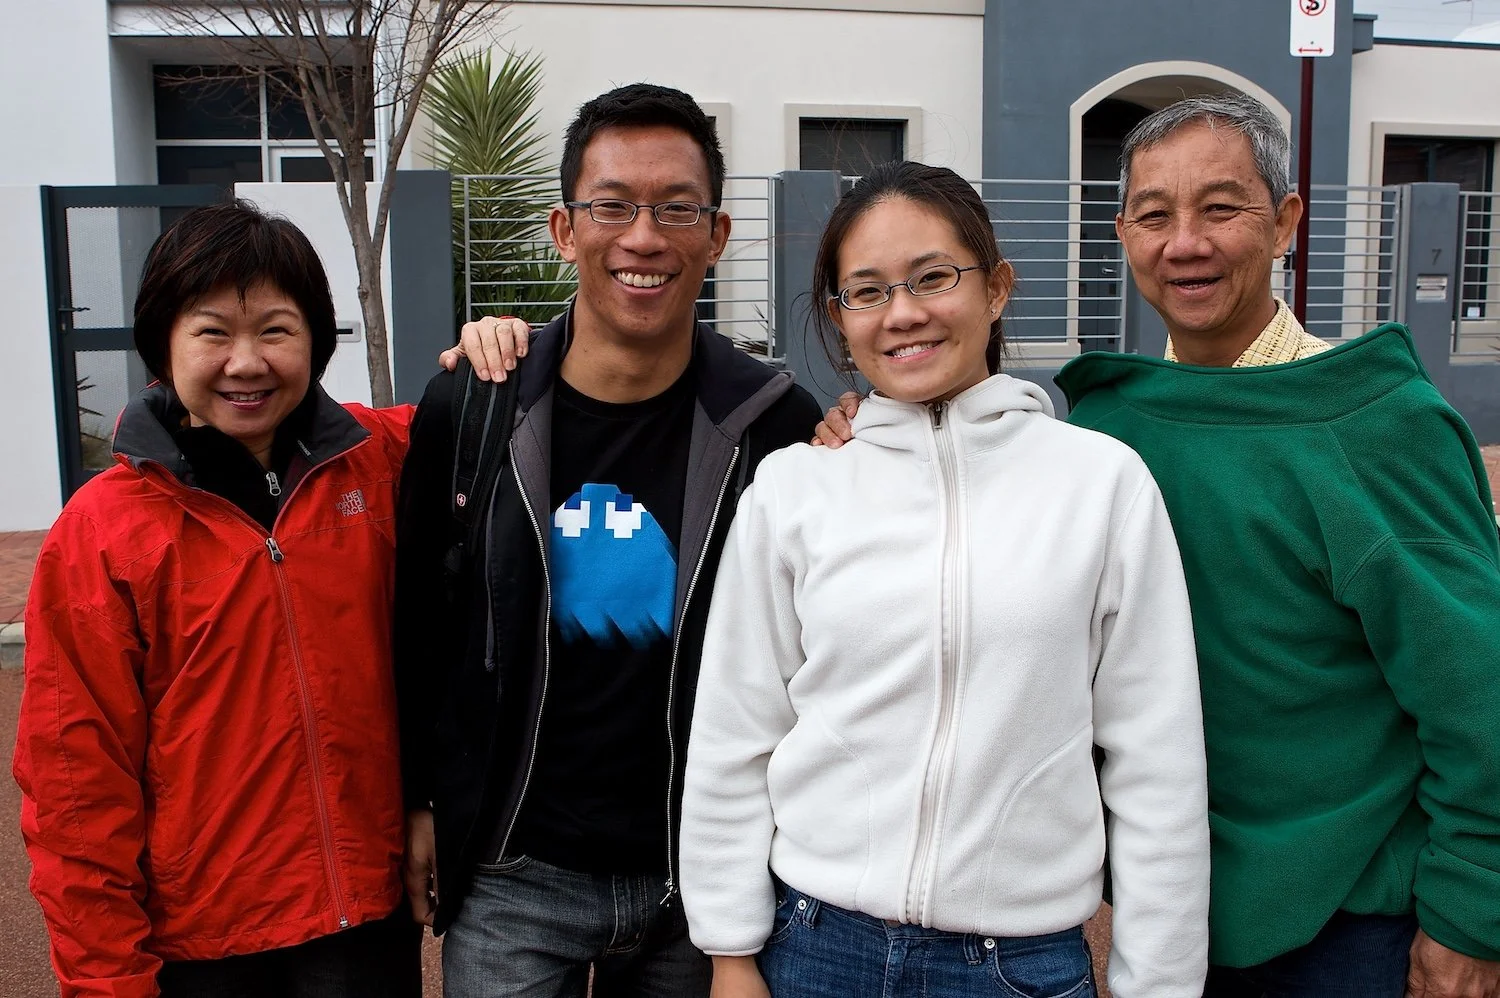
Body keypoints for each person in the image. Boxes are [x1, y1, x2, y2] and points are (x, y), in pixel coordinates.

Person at [818, 94, 1500, 998]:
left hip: (1354, 925)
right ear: (1123, 235)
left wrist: (1474, 912)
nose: (1186, 242)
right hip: (1170, 915)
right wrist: (873, 438)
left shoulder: (1379, 426)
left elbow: (1477, 691)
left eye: (1222, 207)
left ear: (1287, 220)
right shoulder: (1101, 434)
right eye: (1154, 214)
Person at [679, 160, 1210, 998]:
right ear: (838, 316)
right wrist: (731, 951)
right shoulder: (795, 489)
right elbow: (735, 733)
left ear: (996, 288)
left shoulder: (1102, 484)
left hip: (1019, 965)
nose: (905, 314)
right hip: (814, 950)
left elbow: (1157, 759)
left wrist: (1162, 984)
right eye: (868, 291)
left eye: (934, 277)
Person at [11, 199, 523, 998]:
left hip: (363, 925)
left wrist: (500, 345)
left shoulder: (383, 461)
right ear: (162, 342)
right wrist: (106, 980)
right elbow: (77, 785)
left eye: (276, 330)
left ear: (315, 341)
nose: (245, 363)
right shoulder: (102, 531)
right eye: (212, 331)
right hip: (203, 946)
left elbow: (534, 418)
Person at [393, 83, 823, 998]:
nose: (643, 236)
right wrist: (421, 798)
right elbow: (420, 623)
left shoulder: (776, 424)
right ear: (563, 229)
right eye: (612, 206)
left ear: (716, 233)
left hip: (702, 874)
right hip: (516, 874)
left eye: (676, 208)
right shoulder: (473, 403)